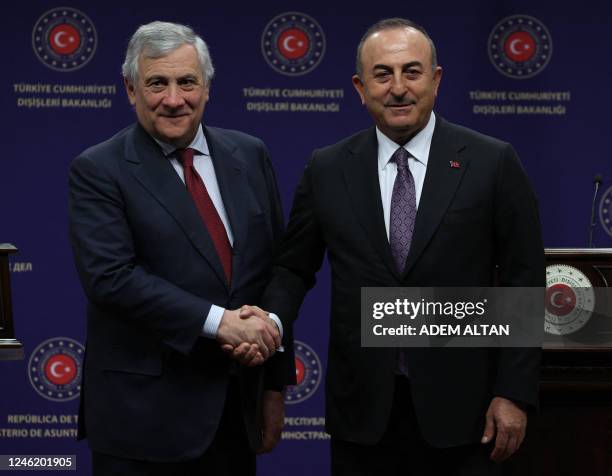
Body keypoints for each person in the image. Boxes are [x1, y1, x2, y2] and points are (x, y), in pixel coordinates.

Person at [254, 17, 545, 476]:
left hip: (467, 416)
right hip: (363, 416)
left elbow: (524, 281)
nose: (398, 88)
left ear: (436, 79)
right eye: (383, 74)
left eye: (412, 72)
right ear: (359, 86)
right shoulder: (327, 168)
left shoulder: (492, 162)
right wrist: (268, 322)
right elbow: (293, 269)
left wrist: (514, 392)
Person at [68, 21, 293, 476]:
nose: (174, 99)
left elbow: (277, 269)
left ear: (206, 87)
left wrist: (273, 387)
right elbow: (111, 278)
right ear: (131, 90)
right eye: (157, 83)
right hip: (143, 422)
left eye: (187, 82)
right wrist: (221, 324)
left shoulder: (249, 154)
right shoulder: (98, 169)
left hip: (234, 412)